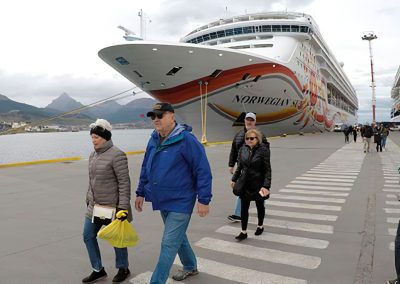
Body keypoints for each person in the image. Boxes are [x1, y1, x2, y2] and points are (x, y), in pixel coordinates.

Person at [135, 103, 212, 284]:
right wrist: (140, 192)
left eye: (160, 115)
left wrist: (204, 199)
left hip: (181, 200)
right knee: (178, 236)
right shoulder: (154, 139)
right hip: (162, 199)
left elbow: (202, 170)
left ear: (172, 116)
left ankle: (156, 281)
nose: (156, 119)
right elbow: (146, 167)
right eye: (153, 116)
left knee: (168, 243)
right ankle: (190, 265)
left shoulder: (186, 140)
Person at [82, 119, 132, 283]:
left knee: (116, 239)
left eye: (96, 137)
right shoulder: (93, 155)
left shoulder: (117, 155)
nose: (93, 140)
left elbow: (124, 183)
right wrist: (88, 198)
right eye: (92, 137)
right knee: (88, 235)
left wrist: (122, 208)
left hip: (111, 207)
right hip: (94, 205)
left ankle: (123, 268)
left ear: (105, 137)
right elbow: (92, 180)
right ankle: (98, 269)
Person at [231, 128, 271, 241]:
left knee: (260, 205)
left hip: (258, 183)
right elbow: (240, 167)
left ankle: (260, 226)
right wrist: (234, 179)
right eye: (247, 138)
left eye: (252, 138)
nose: (249, 140)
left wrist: (266, 186)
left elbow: (268, 170)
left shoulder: (263, 150)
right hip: (245, 183)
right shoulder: (243, 149)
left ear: (257, 139)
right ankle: (243, 232)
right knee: (244, 208)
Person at [227, 112, 267, 222]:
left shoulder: (260, 136)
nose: (249, 122)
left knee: (259, 189)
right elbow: (234, 150)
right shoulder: (239, 135)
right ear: (244, 120)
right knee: (241, 189)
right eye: (247, 119)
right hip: (243, 168)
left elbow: (266, 151)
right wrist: (231, 164)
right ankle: (238, 214)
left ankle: (261, 207)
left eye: (251, 120)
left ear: (255, 122)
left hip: (257, 168)